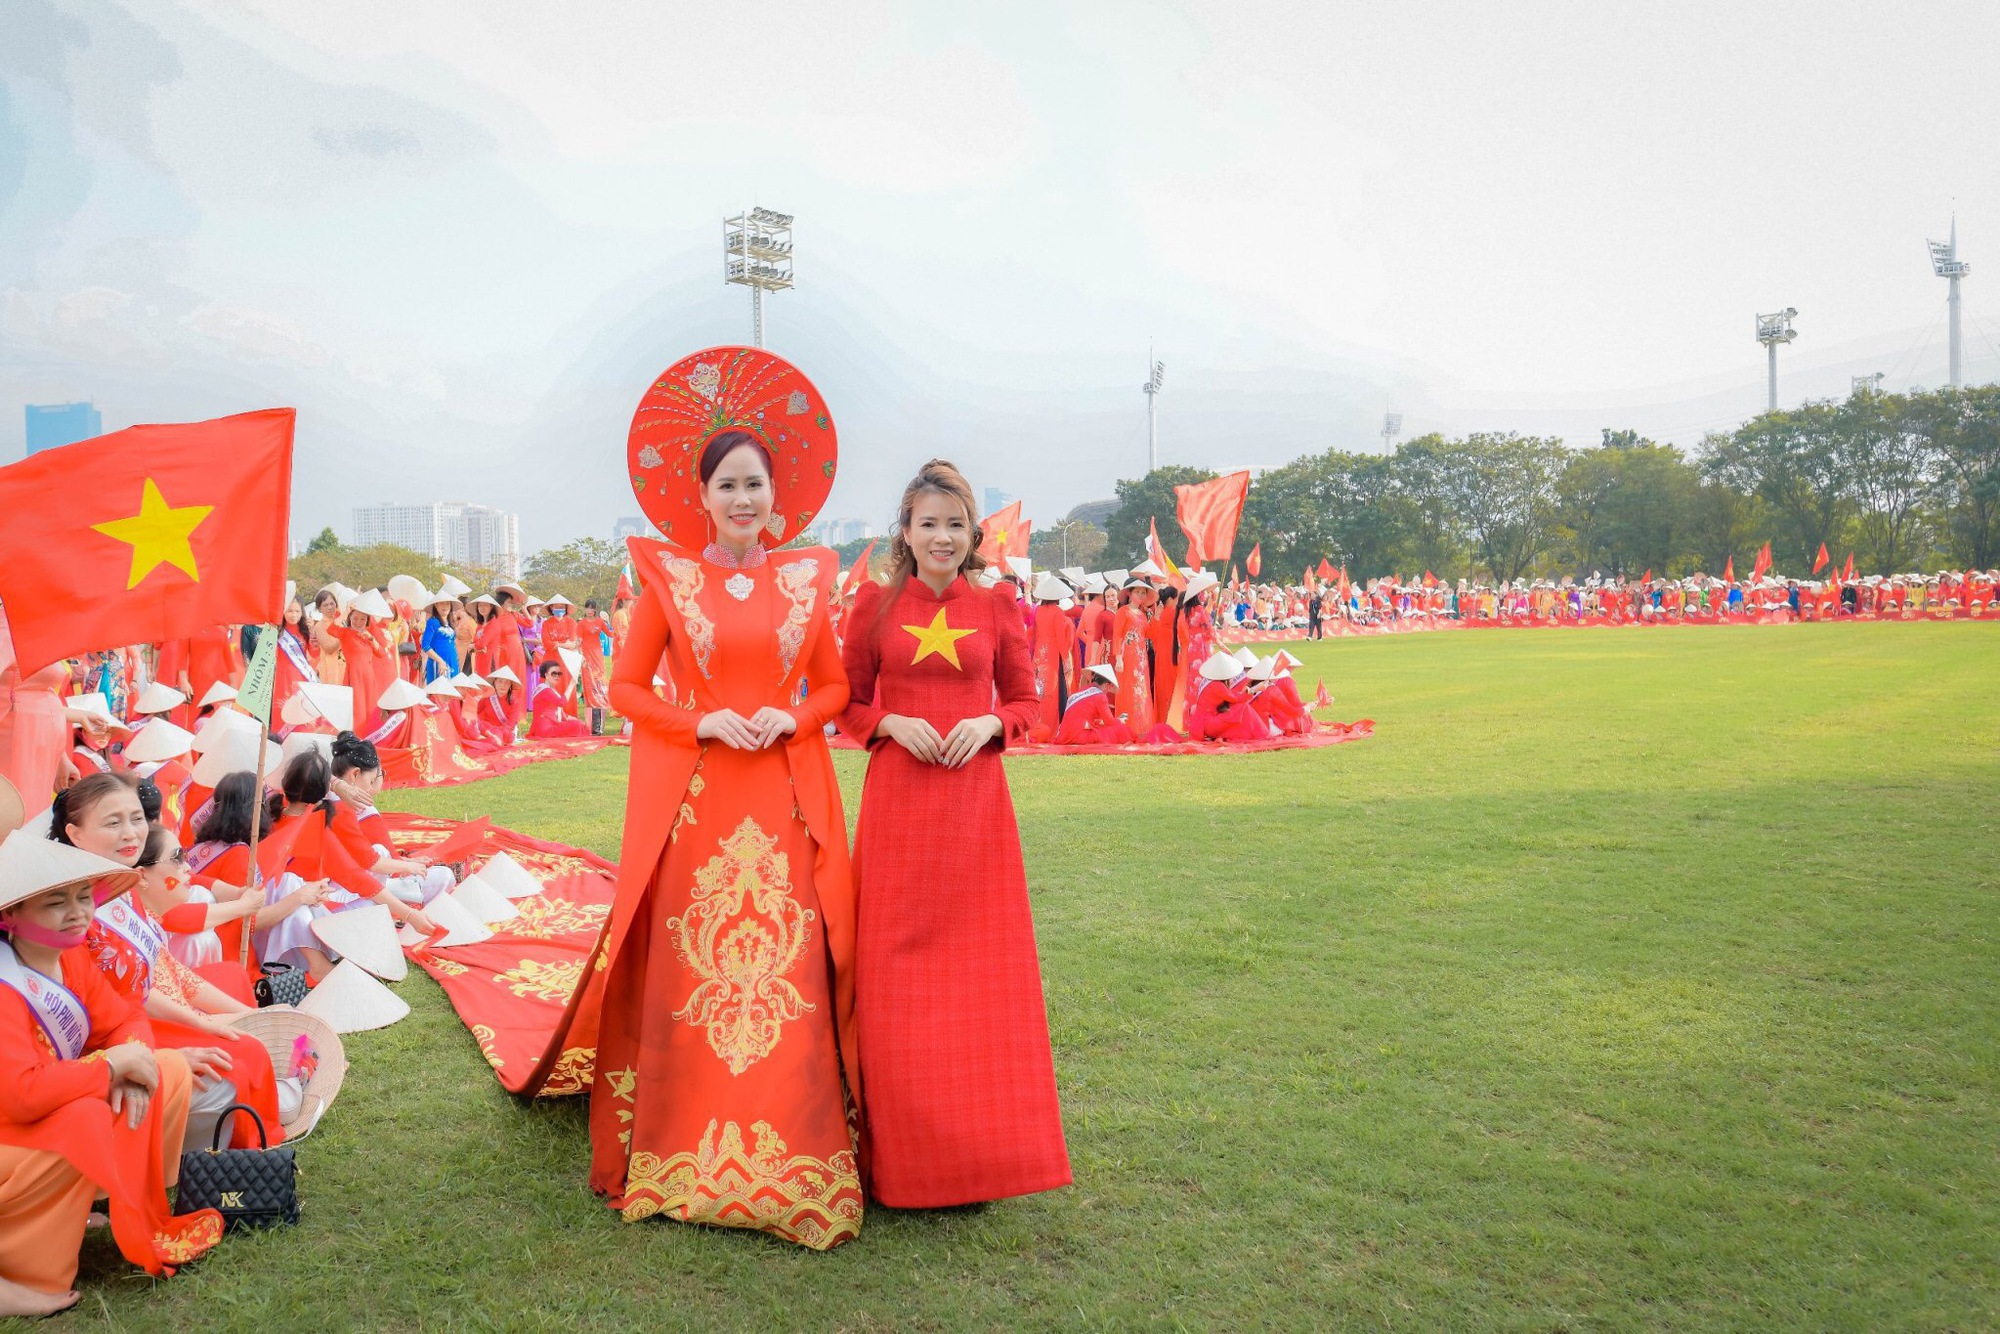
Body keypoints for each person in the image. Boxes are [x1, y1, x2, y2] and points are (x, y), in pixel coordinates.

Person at [595, 377, 859, 1250]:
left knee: (785, 971)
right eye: (726, 485)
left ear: (775, 493)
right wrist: (699, 718)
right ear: (701, 499)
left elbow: (835, 684)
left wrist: (796, 716)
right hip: (701, 805)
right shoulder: (668, 581)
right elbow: (624, 688)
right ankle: (681, 1153)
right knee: (698, 974)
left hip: (782, 798)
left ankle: (798, 1151)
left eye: (754, 482)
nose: (742, 499)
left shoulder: (807, 580)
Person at [838, 457, 1070, 1209]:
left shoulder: (999, 607)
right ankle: (899, 1162)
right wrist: (889, 722)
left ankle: (974, 1161)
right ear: (905, 530)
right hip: (900, 811)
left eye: (955, 524)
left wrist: (990, 721)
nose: (942, 536)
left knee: (974, 983)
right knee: (894, 982)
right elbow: (845, 704)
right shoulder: (871, 608)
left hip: (975, 815)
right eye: (928, 523)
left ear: (974, 533)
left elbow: (1030, 701)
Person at [0, 832, 223, 1313]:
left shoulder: (70, 956)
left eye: (84, 897)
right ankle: (26, 1265)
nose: (78, 912)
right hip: (12, 1126)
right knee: (85, 1118)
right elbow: (19, 1094)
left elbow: (123, 1018)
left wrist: (131, 1062)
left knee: (163, 1068)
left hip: (46, 1105)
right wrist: (109, 1066)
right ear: (10, 915)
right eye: (56, 903)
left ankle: (108, 1200)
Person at [528, 663, 589, 739]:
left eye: (559, 674)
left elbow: (562, 714)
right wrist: (572, 684)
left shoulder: (547, 688)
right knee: (576, 725)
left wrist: (576, 720)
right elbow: (561, 703)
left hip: (546, 727)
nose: (557, 676)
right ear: (546, 675)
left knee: (577, 723)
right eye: (554, 673)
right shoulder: (545, 690)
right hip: (545, 730)